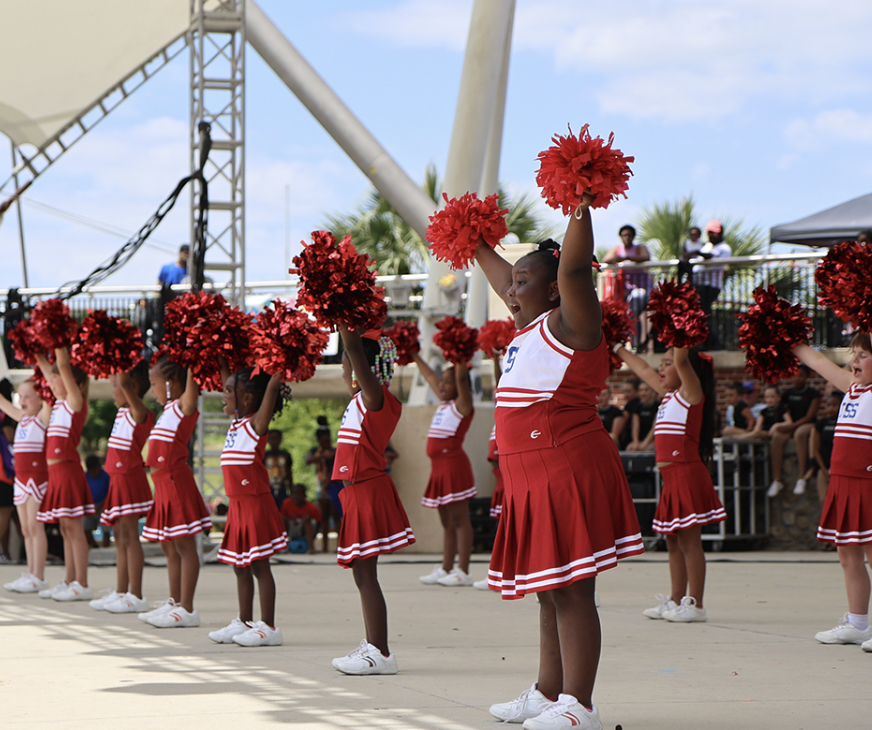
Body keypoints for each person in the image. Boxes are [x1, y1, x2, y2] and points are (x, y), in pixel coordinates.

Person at [475, 194, 644, 729]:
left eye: (521, 283)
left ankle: (580, 706)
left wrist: (581, 200)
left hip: (565, 465)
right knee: (549, 588)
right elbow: (505, 274)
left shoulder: (573, 323)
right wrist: (471, 238)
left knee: (572, 589)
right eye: (510, 284)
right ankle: (550, 693)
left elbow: (570, 265)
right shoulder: (526, 329)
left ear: (554, 290)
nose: (509, 291)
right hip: (529, 473)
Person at [615, 344, 725, 623]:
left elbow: (682, 359)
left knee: (690, 543)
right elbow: (641, 368)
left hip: (686, 475)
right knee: (673, 542)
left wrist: (678, 330)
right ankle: (676, 600)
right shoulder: (668, 395)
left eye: (667, 363)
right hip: (671, 479)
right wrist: (616, 345)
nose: (661, 369)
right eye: (661, 364)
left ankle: (696, 604)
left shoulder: (691, 393)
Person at [330, 327, 415, 675]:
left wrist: (342, 316)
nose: (343, 366)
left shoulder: (375, 398)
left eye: (346, 360)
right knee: (362, 575)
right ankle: (373, 645)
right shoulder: (359, 401)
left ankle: (379, 651)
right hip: (356, 492)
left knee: (367, 575)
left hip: (367, 490)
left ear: (363, 364)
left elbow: (353, 346)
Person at [792, 336, 872, 650]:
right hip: (843, 481)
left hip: (867, 482)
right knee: (847, 554)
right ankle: (857, 623)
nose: (854, 361)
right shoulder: (853, 388)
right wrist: (787, 340)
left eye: (863, 355)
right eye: (854, 354)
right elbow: (818, 362)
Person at [208, 365, 288, 647]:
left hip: (255, 503)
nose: (223, 395)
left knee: (259, 565)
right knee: (239, 566)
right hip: (237, 507)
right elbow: (227, 374)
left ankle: (268, 626)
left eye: (229, 391)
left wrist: (275, 377)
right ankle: (244, 621)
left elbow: (270, 389)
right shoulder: (237, 422)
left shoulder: (256, 424)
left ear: (248, 399)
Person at [138, 355, 211, 628]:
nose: (151, 389)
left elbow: (192, 391)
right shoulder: (167, 409)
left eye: (154, 383)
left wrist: (194, 353)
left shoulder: (183, 406)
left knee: (184, 544)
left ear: (170, 383)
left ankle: (187, 609)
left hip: (176, 482)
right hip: (163, 486)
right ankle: (175, 602)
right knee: (168, 546)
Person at [92, 364, 155, 614]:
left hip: (129, 479)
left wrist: (121, 365)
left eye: (116, 385)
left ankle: (136, 594)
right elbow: (119, 381)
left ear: (132, 387)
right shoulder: (121, 413)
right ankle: (121, 591)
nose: (113, 390)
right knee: (119, 537)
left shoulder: (140, 413)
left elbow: (125, 384)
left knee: (130, 536)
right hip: (117, 480)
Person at [33, 347, 93, 602]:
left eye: (58, 378)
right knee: (65, 528)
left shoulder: (74, 403)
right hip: (55, 472)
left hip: (68, 469)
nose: (52, 381)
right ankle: (70, 579)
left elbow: (63, 367)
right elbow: (50, 370)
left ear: (75, 384)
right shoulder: (58, 404)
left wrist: (58, 345)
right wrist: (35, 350)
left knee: (74, 528)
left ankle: (82, 582)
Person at [412, 350, 476, 587]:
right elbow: (430, 376)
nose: (441, 385)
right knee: (447, 522)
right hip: (438, 468)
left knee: (460, 520)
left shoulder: (462, 405)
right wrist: (414, 354)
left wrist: (458, 352)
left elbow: (461, 379)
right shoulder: (444, 404)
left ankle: (464, 571)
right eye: (442, 381)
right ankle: (446, 567)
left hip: (453, 466)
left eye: (448, 382)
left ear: (460, 386)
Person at [0, 378, 51, 593]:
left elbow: (52, 395)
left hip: (36, 479)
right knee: (26, 528)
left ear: (40, 399)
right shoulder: (22, 419)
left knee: (35, 526)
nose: (22, 401)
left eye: (28, 396)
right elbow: (2, 403)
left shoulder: (42, 419)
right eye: (20, 397)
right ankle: (30, 573)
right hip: (20, 480)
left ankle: (38, 576)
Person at [767, 365, 820, 497]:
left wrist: (790, 427)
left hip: (807, 424)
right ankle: (777, 480)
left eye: (800, 375)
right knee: (778, 437)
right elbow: (781, 410)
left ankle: (802, 477)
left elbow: (810, 416)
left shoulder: (813, 393)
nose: (797, 378)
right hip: (791, 424)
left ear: (807, 377)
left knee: (800, 434)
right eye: (794, 375)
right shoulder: (787, 394)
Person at [603, 225, 652, 352]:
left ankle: (636, 344)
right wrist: (616, 259)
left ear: (633, 236)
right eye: (624, 235)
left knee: (633, 312)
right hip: (624, 290)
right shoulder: (617, 249)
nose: (626, 238)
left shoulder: (639, 248)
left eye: (629, 235)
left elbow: (646, 257)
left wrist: (626, 258)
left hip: (641, 288)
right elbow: (605, 259)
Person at [685, 220, 732, 350]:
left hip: (711, 285)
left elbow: (716, 264)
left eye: (715, 233)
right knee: (701, 313)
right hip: (699, 284)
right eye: (710, 233)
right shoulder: (705, 246)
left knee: (705, 313)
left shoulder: (724, 249)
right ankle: (705, 341)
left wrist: (701, 256)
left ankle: (712, 343)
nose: (713, 236)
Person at [306, 417, 343, 552]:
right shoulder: (317, 452)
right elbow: (308, 460)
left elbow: (335, 469)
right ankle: (325, 547)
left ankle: (340, 545)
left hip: (333, 485)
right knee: (324, 517)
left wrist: (326, 486)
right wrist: (322, 457)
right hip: (321, 485)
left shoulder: (335, 451)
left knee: (336, 514)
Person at [802, 391, 842, 502]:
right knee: (825, 502)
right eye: (829, 405)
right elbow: (816, 449)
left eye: (835, 405)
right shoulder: (822, 423)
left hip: (840, 469)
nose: (831, 408)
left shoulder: (844, 423)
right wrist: (824, 469)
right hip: (824, 468)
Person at [281, 483, 322, 554]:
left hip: (302, 529)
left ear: (304, 495)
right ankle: (282, 546)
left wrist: (314, 536)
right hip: (290, 528)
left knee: (307, 519)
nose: (296, 497)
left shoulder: (311, 507)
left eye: (298, 494)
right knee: (282, 518)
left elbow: (319, 521)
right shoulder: (286, 503)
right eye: (294, 494)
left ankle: (311, 548)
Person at [0, 378, 15, 563]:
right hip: (4, 472)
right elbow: (11, 438)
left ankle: (7, 553)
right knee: (5, 511)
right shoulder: (7, 414)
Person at [83, 454, 110, 549]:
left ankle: (106, 546)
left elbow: (109, 493)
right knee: (85, 526)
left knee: (106, 528)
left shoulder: (106, 476)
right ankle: (93, 545)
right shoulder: (84, 477)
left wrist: (99, 505)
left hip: (103, 505)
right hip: (88, 505)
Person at [264, 429, 293, 510]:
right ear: (268, 440)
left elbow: (289, 473)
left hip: (283, 489)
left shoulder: (285, 455)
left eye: (276, 438)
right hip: (268, 489)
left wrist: (291, 490)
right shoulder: (264, 455)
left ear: (280, 439)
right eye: (272, 439)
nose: (274, 441)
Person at [625, 382, 659, 452]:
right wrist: (636, 442)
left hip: (653, 439)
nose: (643, 393)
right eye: (641, 390)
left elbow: (654, 427)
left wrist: (645, 443)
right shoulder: (637, 407)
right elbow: (635, 426)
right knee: (630, 448)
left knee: (648, 449)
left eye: (646, 390)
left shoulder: (657, 406)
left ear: (652, 391)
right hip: (640, 438)